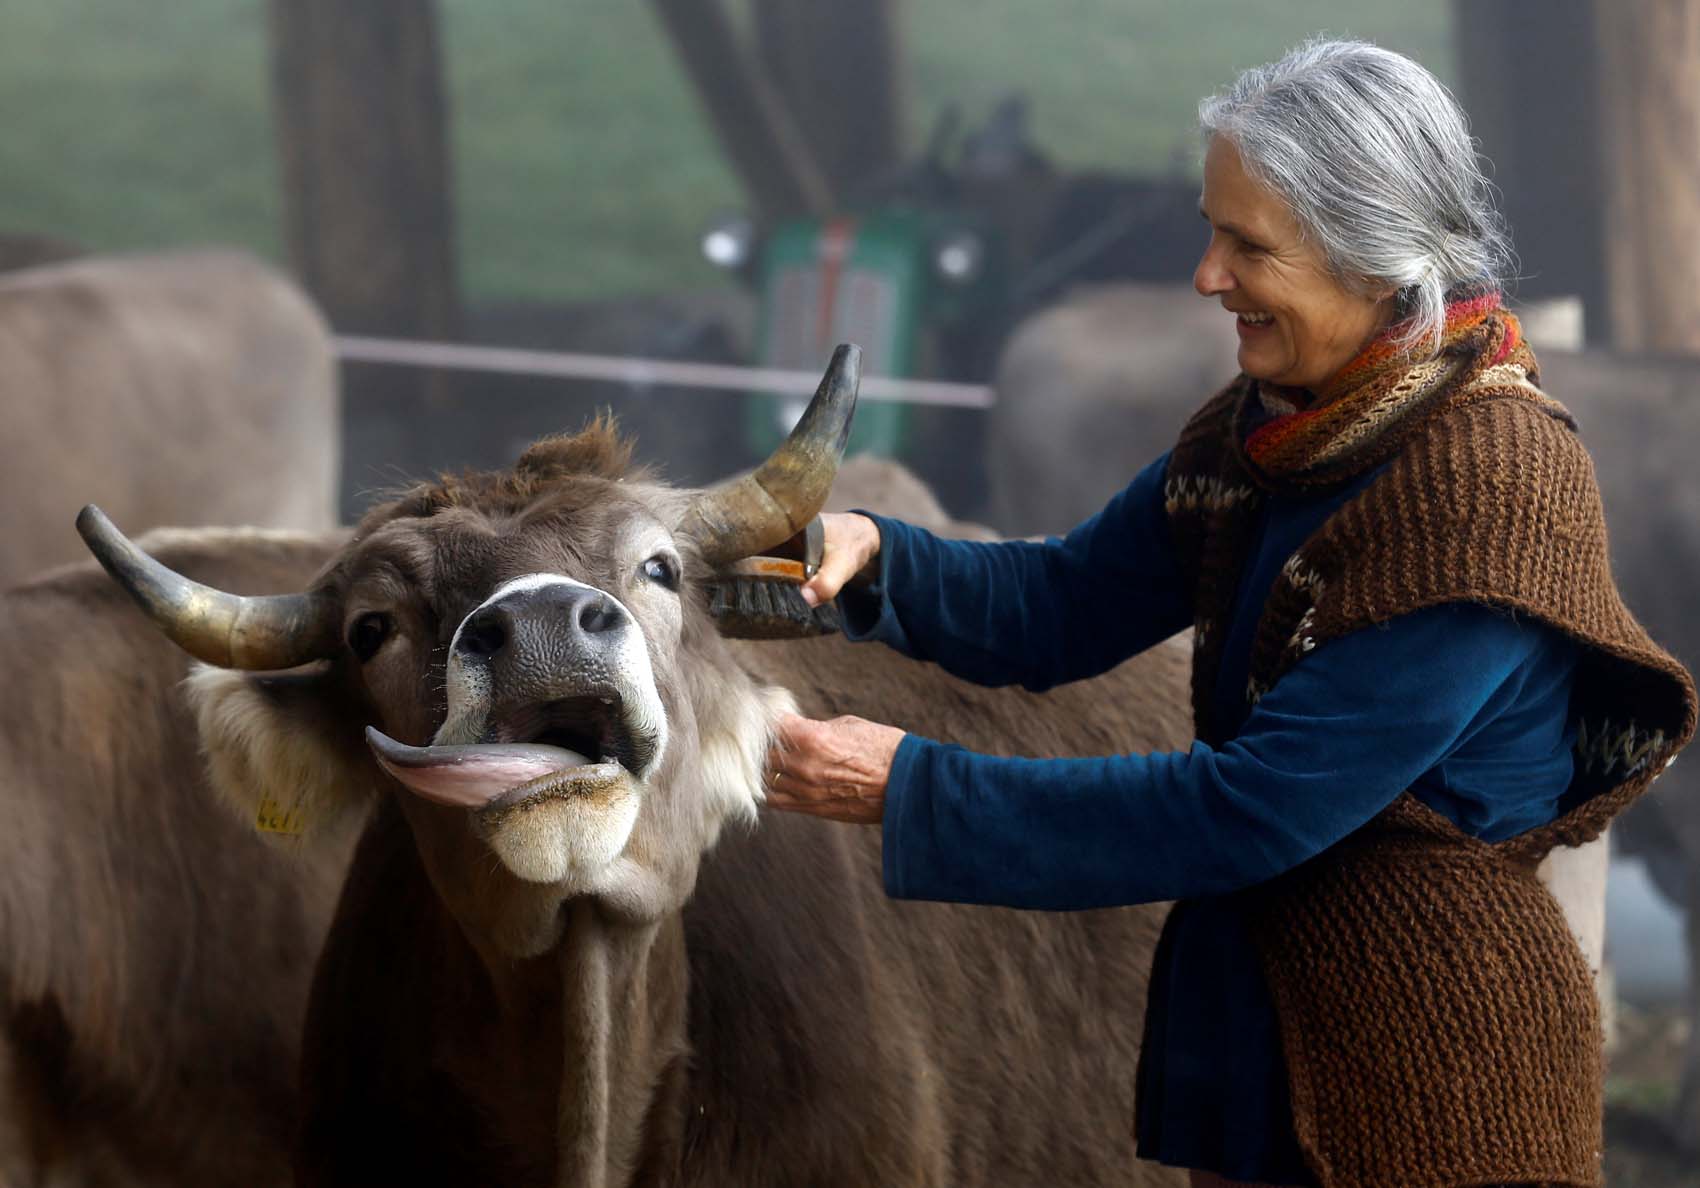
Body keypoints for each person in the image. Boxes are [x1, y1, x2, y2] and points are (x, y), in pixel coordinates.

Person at [762, 39, 1697, 1188]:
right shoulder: (1263, 428)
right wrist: (872, 561)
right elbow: (1061, 599)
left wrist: (911, 788)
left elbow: (1248, 810)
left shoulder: (1484, 497)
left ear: (1374, 261)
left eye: (1245, 245)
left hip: (1427, 1092)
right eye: (1212, 230)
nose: (1205, 277)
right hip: (1255, 1054)